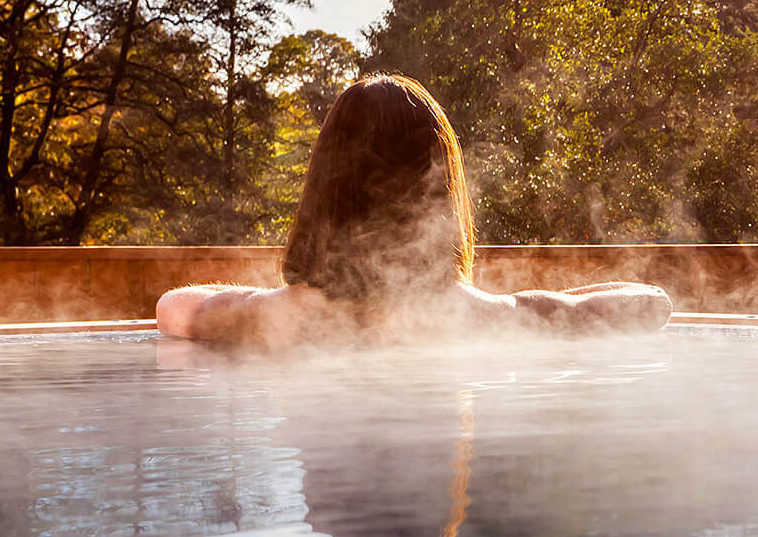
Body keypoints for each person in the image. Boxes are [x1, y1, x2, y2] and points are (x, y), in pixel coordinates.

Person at [156, 74, 673, 345]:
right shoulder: (484, 319)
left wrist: (260, 298)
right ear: (441, 192)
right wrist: (529, 300)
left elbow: (171, 307)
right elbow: (652, 303)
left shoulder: (271, 320)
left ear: (324, 191)